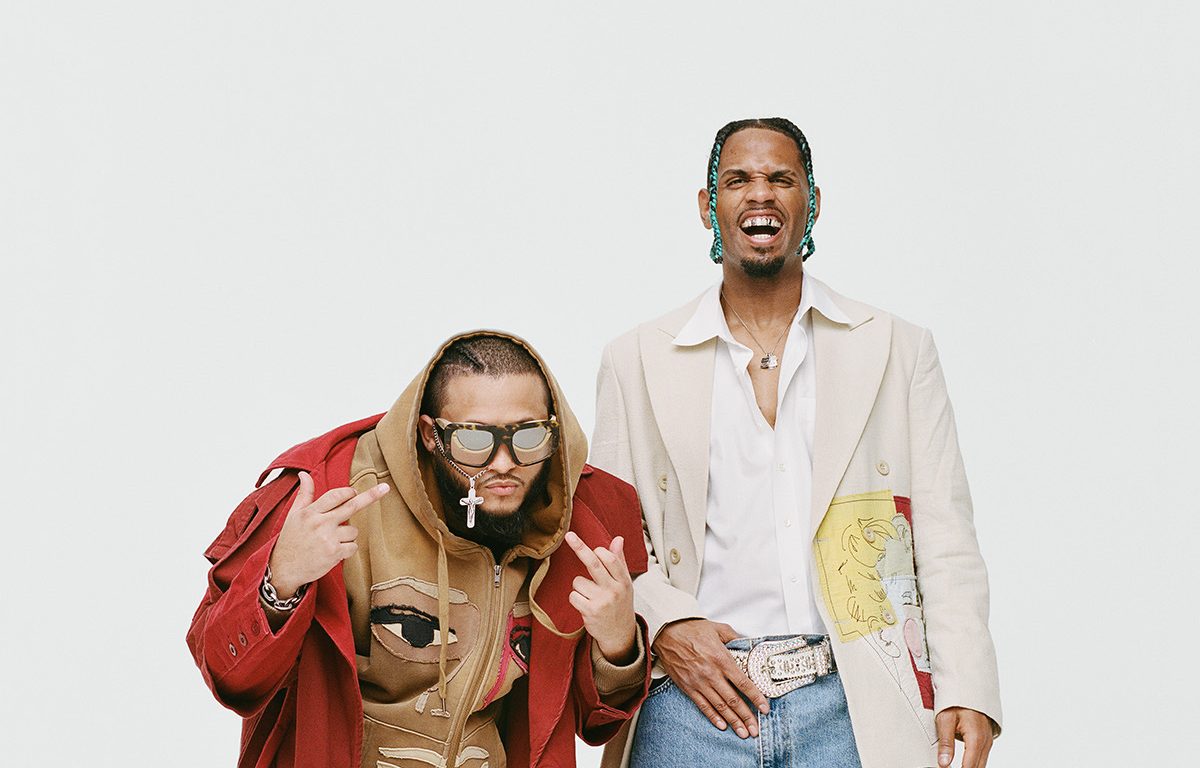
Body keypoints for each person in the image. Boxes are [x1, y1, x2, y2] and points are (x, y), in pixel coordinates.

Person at [592, 118, 1002, 768]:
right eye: (738, 180)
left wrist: (967, 685)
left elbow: (945, 534)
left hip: (853, 701)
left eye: (781, 178)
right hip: (691, 700)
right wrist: (666, 623)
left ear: (812, 201)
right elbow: (606, 539)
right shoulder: (638, 358)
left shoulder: (895, 347)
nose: (760, 193)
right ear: (707, 206)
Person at [188, 331, 651, 768]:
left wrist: (618, 643)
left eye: (528, 435)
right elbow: (228, 676)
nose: (504, 462)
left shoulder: (577, 520)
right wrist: (281, 579)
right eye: (474, 439)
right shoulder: (330, 495)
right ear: (431, 434)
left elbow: (593, 722)